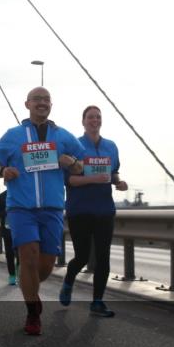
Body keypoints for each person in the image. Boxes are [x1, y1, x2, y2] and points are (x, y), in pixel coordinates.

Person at [0, 87, 85, 336]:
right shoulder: (13, 135)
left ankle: (30, 287)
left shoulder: (63, 136)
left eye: (46, 100)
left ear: (51, 104)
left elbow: (81, 166)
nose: (41, 103)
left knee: (45, 265)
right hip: (21, 207)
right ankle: (32, 312)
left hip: (52, 207)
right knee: (29, 256)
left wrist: (72, 163)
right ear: (27, 104)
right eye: (37, 100)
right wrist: (3, 172)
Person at [59, 105, 129, 317]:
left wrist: (119, 182)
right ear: (83, 121)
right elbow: (69, 180)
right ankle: (69, 280)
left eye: (98, 117)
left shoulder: (111, 146)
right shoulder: (75, 146)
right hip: (79, 210)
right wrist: (92, 179)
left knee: (103, 258)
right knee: (81, 257)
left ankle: (97, 302)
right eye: (90, 117)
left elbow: (114, 172)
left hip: (104, 210)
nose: (94, 120)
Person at [0, 190, 17, 286]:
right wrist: (5, 212)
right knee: (10, 253)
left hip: (22, 229)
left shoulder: (23, 192)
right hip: (7, 230)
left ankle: (20, 272)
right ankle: (12, 275)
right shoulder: (2, 196)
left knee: (21, 252)